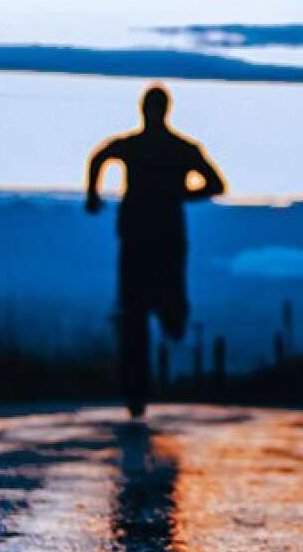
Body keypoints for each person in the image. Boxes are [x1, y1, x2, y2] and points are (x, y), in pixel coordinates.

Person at [86, 84, 226, 418]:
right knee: (139, 313)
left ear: (144, 110)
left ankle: (138, 387)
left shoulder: (143, 147)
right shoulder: (181, 149)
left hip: (143, 237)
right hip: (158, 237)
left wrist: (92, 195)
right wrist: (178, 194)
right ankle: (136, 392)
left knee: (138, 312)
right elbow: (215, 184)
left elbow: (99, 157)